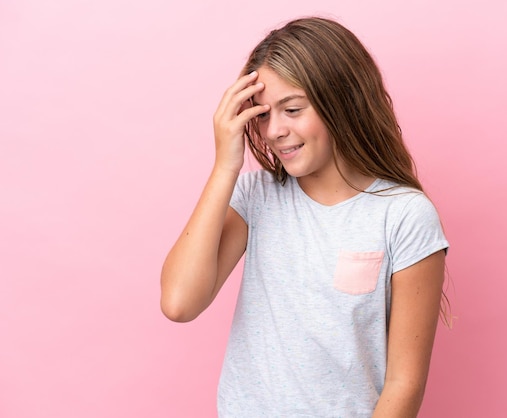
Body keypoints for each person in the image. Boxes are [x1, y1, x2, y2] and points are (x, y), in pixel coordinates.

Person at [160, 17, 449, 417]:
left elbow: (404, 383)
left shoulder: (404, 216)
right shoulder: (255, 198)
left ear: (341, 101)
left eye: (292, 109)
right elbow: (179, 303)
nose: (274, 130)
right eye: (261, 115)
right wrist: (225, 165)